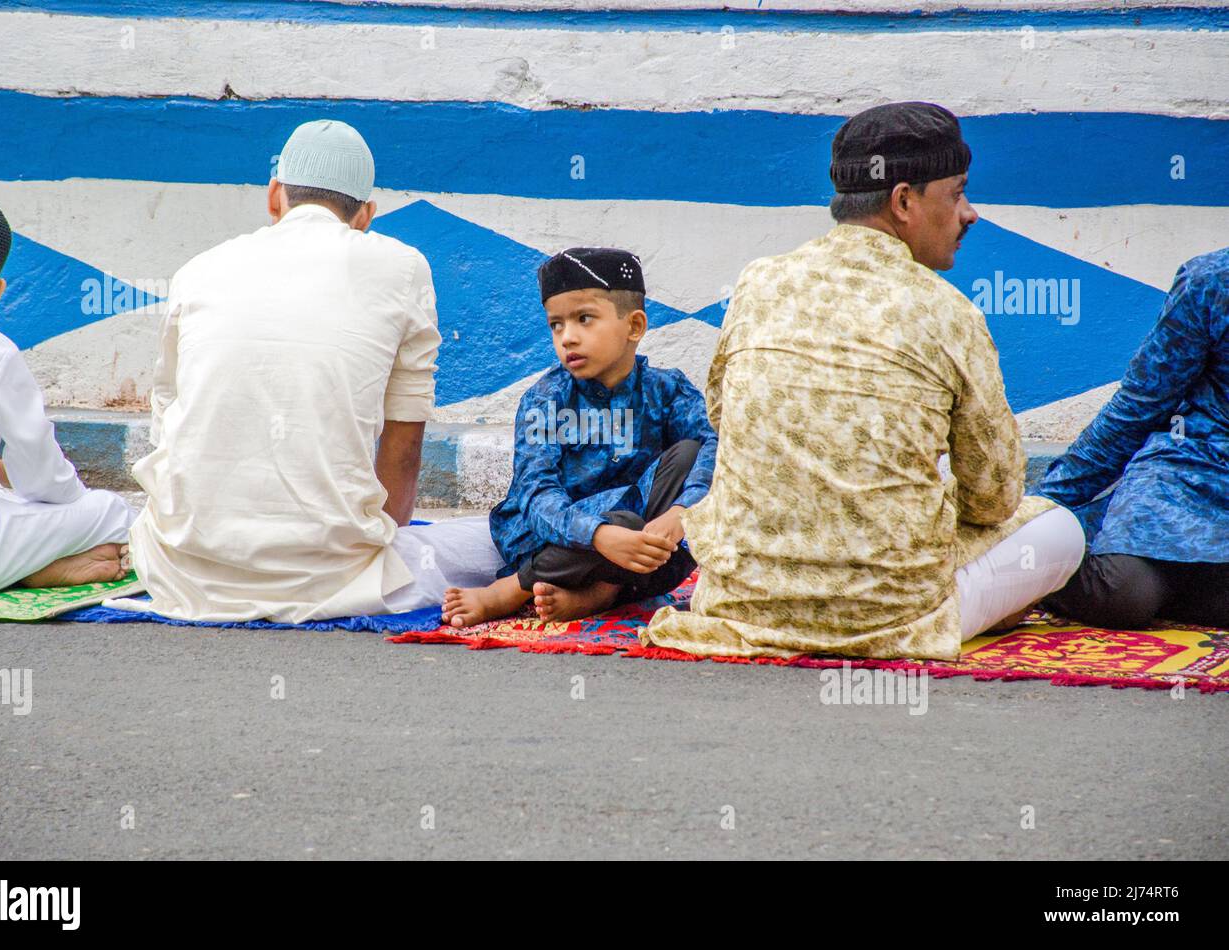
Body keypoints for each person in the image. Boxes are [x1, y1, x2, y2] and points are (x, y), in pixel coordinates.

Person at [642, 102, 1085, 661]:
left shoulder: (759, 282)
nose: (969, 214)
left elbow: (726, 422)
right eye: (956, 194)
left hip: (744, 604)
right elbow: (995, 499)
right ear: (903, 201)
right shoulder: (947, 311)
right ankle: (960, 614)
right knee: (1061, 531)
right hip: (889, 616)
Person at [122, 120, 502, 623]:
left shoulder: (199, 269)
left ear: (274, 195)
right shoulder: (403, 267)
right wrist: (379, 545)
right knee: (500, 539)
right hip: (337, 581)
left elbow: (167, 421)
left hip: (183, 573)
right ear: (365, 215)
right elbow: (404, 447)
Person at [442, 247, 717, 626]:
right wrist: (600, 535)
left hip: (641, 543)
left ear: (634, 327)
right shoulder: (546, 400)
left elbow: (714, 447)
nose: (567, 337)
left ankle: (601, 593)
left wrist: (681, 511)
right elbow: (536, 496)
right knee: (624, 526)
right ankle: (509, 590)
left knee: (689, 455)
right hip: (555, 543)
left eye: (584, 319)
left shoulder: (668, 391)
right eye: (556, 325)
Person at [0, 193, 133, 597]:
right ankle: (31, 567)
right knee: (113, 512)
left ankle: (25, 565)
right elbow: (44, 481)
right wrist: (75, 508)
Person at [1038, 249, 1229, 629]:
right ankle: (1043, 547)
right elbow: (1139, 405)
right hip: (1187, 480)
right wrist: (1044, 507)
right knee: (1122, 593)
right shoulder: (1211, 281)